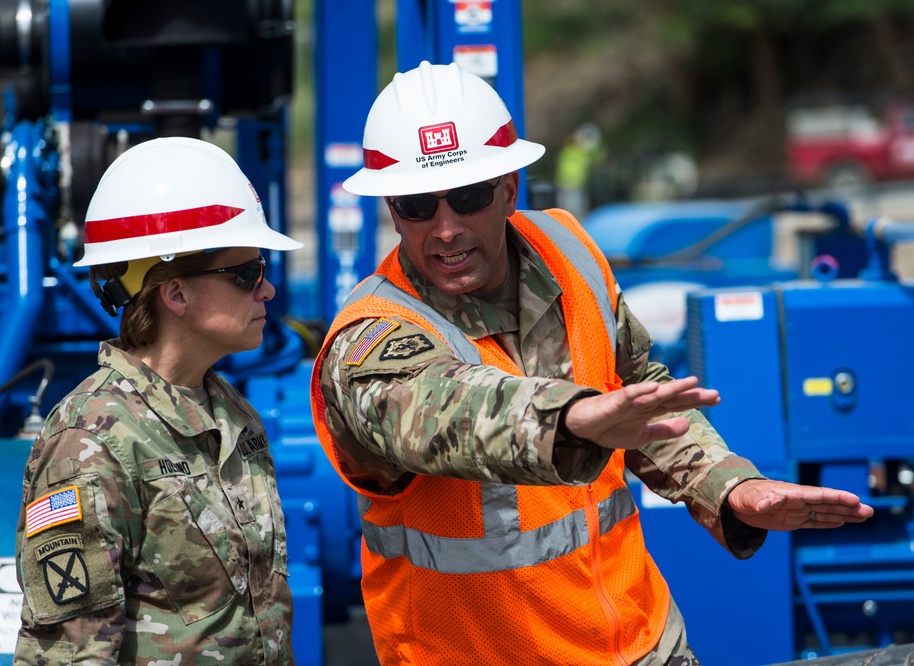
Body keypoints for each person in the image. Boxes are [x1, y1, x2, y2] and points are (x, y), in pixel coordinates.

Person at [310, 61, 874, 666]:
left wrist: (731, 484)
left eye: (469, 197)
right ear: (392, 209)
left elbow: (635, 394)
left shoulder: (569, 250)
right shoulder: (372, 336)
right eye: (418, 206)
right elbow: (445, 410)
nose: (445, 229)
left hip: (644, 644)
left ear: (508, 188)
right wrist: (573, 417)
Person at [15, 137, 303, 664]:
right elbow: (70, 653)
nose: (267, 291)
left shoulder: (234, 416)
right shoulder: (89, 443)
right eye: (247, 275)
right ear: (175, 294)